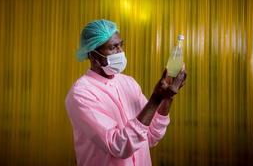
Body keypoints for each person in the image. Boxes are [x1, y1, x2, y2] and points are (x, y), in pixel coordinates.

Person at [65, 19, 186, 166]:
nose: (120, 52)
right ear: (93, 55)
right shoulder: (81, 94)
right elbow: (119, 146)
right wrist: (155, 99)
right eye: (113, 47)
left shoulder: (129, 83)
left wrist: (167, 98)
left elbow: (151, 136)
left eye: (121, 45)